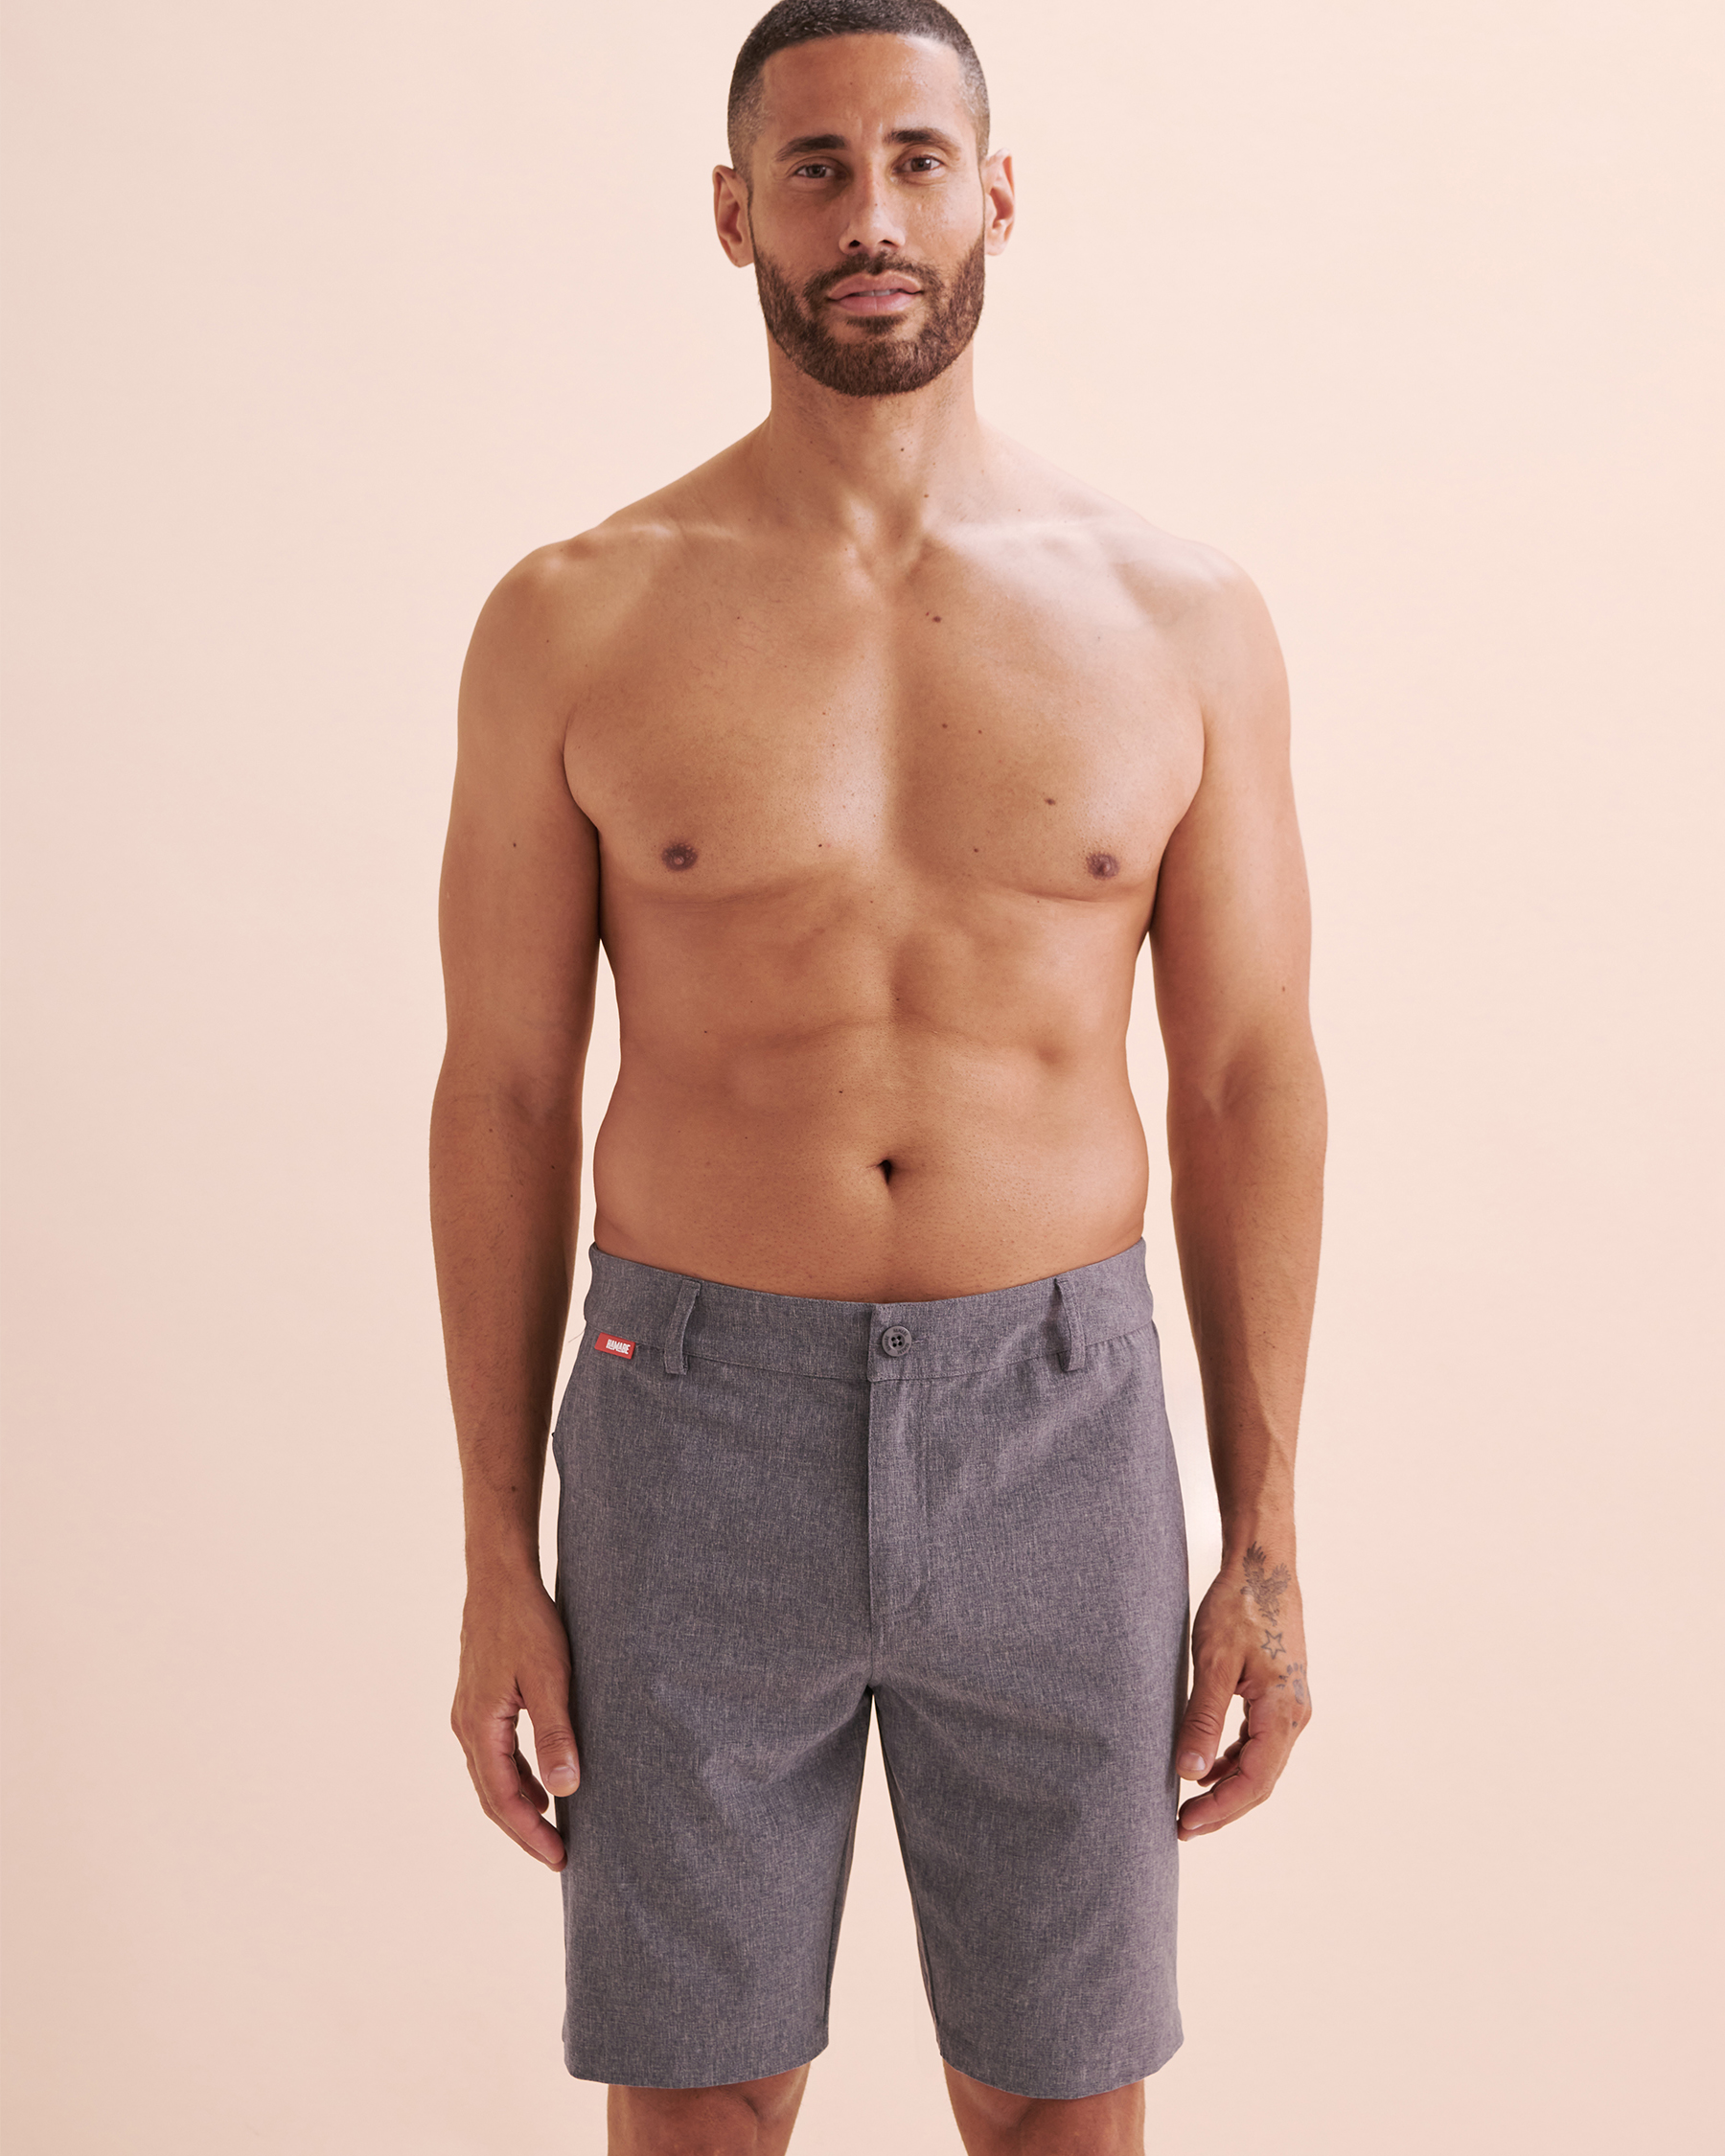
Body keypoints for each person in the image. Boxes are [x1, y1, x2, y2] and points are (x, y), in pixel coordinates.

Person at [430, 2, 1323, 2149]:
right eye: (815, 169)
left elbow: (1245, 1081)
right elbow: (506, 1094)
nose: (871, 219)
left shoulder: (1177, 617)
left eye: (917, 161)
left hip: (1061, 1423)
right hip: (689, 1422)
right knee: (705, 2102)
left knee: (1054, 2106)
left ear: (996, 192)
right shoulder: (575, 618)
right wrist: (492, 1549)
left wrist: (1266, 1533)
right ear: (733, 211)